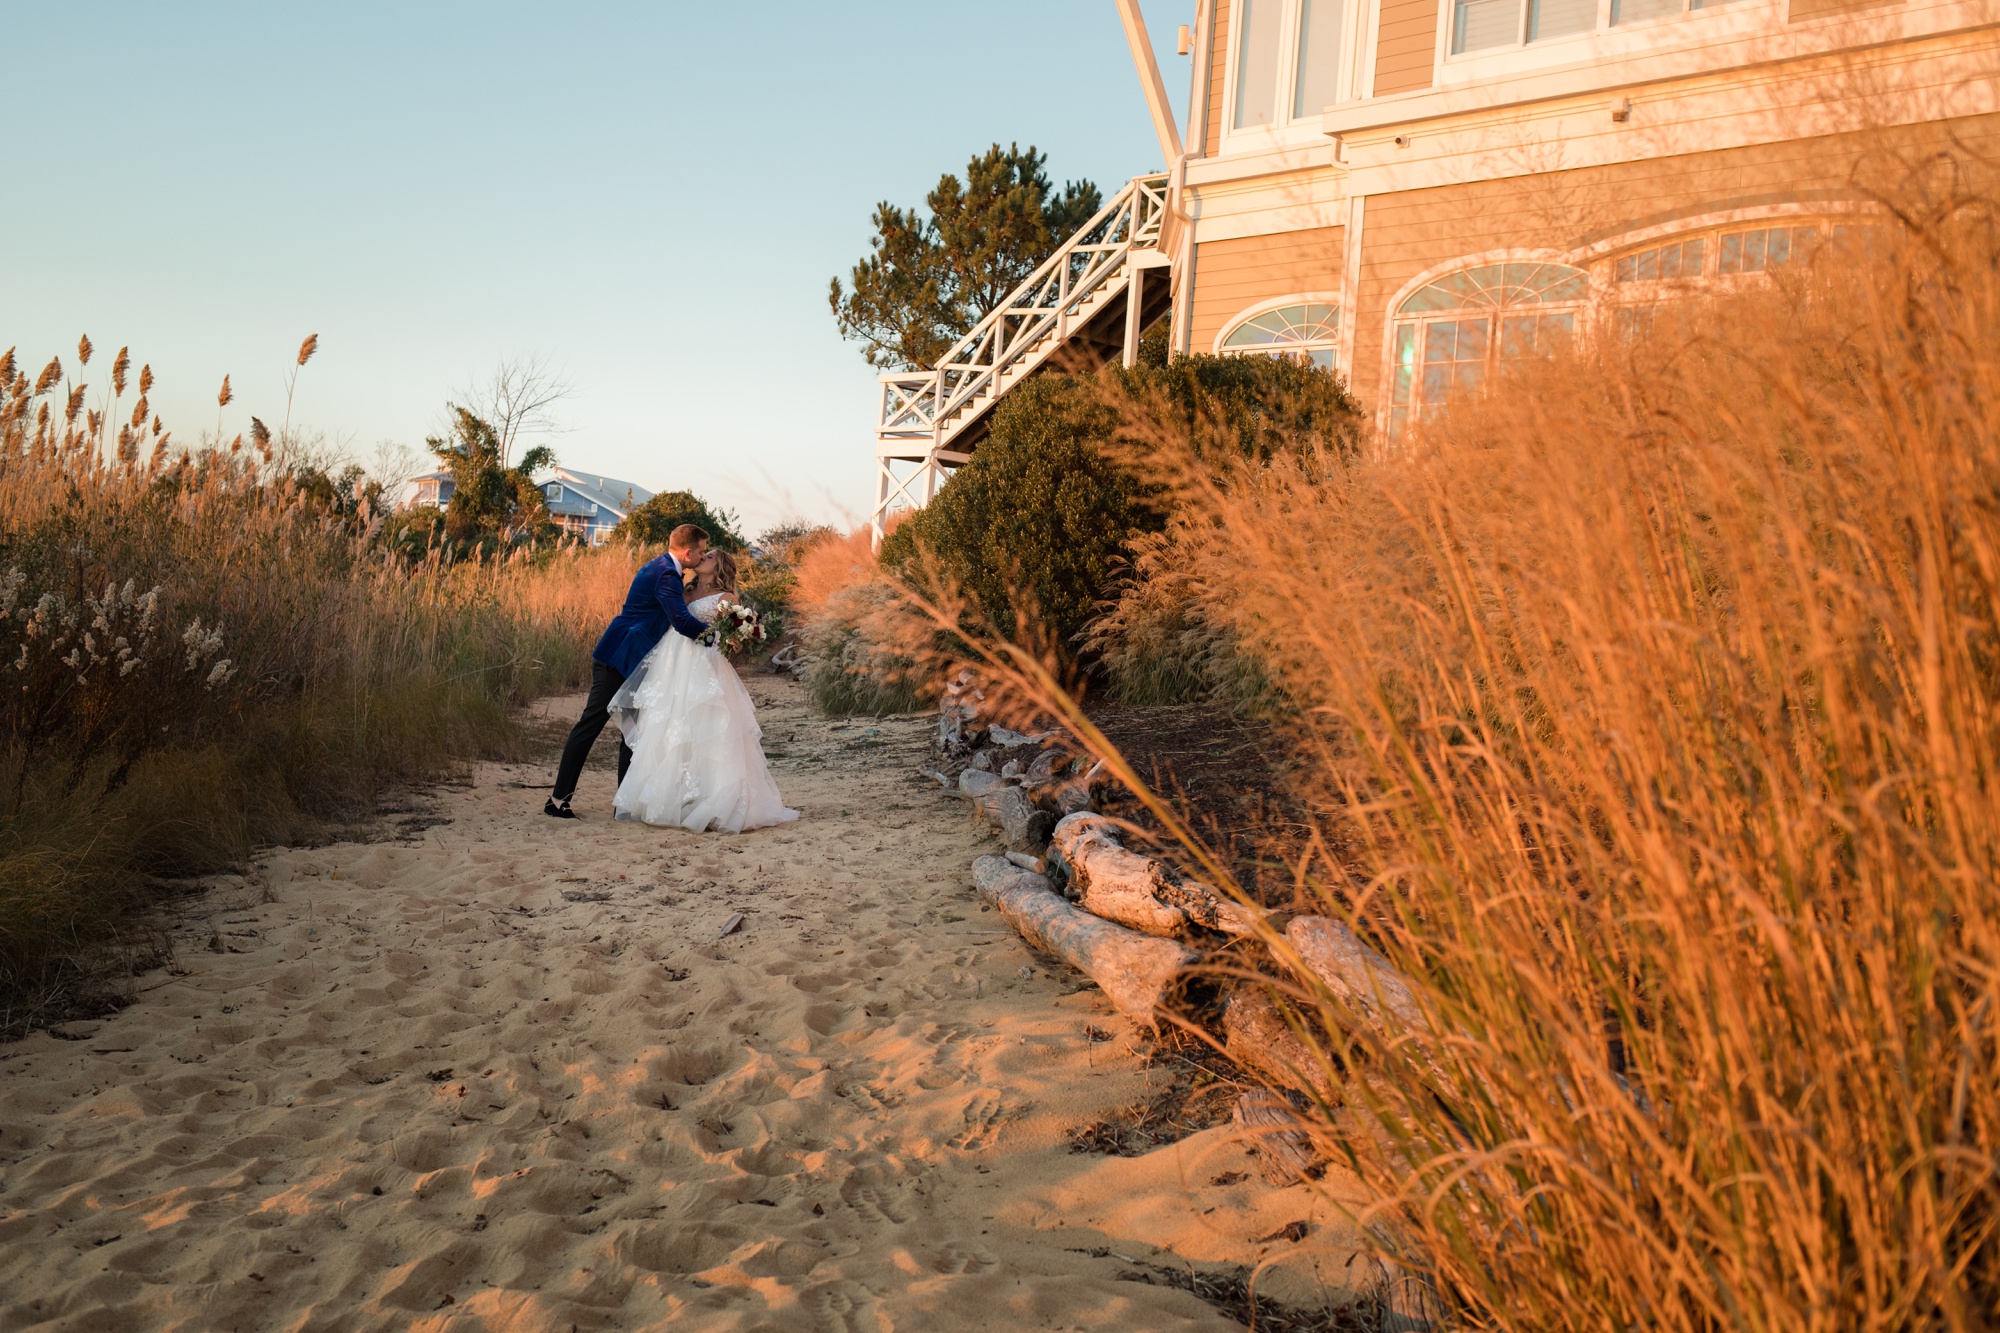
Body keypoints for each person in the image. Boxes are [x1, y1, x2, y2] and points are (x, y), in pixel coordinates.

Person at [607, 547, 798, 833]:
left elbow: (735, 637)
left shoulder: (727, 598)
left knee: (706, 725)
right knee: (671, 724)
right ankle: (673, 799)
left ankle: (710, 801)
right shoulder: (684, 589)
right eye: (702, 553)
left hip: (704, 665)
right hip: (673, 661)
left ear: (718, 565)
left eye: (709, 556)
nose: (702, 558)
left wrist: (736, 638)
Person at [544, 523, 710, 819]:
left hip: (633, 661)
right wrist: (715, 637)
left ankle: (625, 804)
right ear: (688, 552)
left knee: (634, 732)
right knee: (590, 726)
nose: (703, 556)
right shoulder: (666, 574)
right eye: (701, 551)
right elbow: (682, 621)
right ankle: (558, 800)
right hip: (617, 658)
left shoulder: (662, 568)